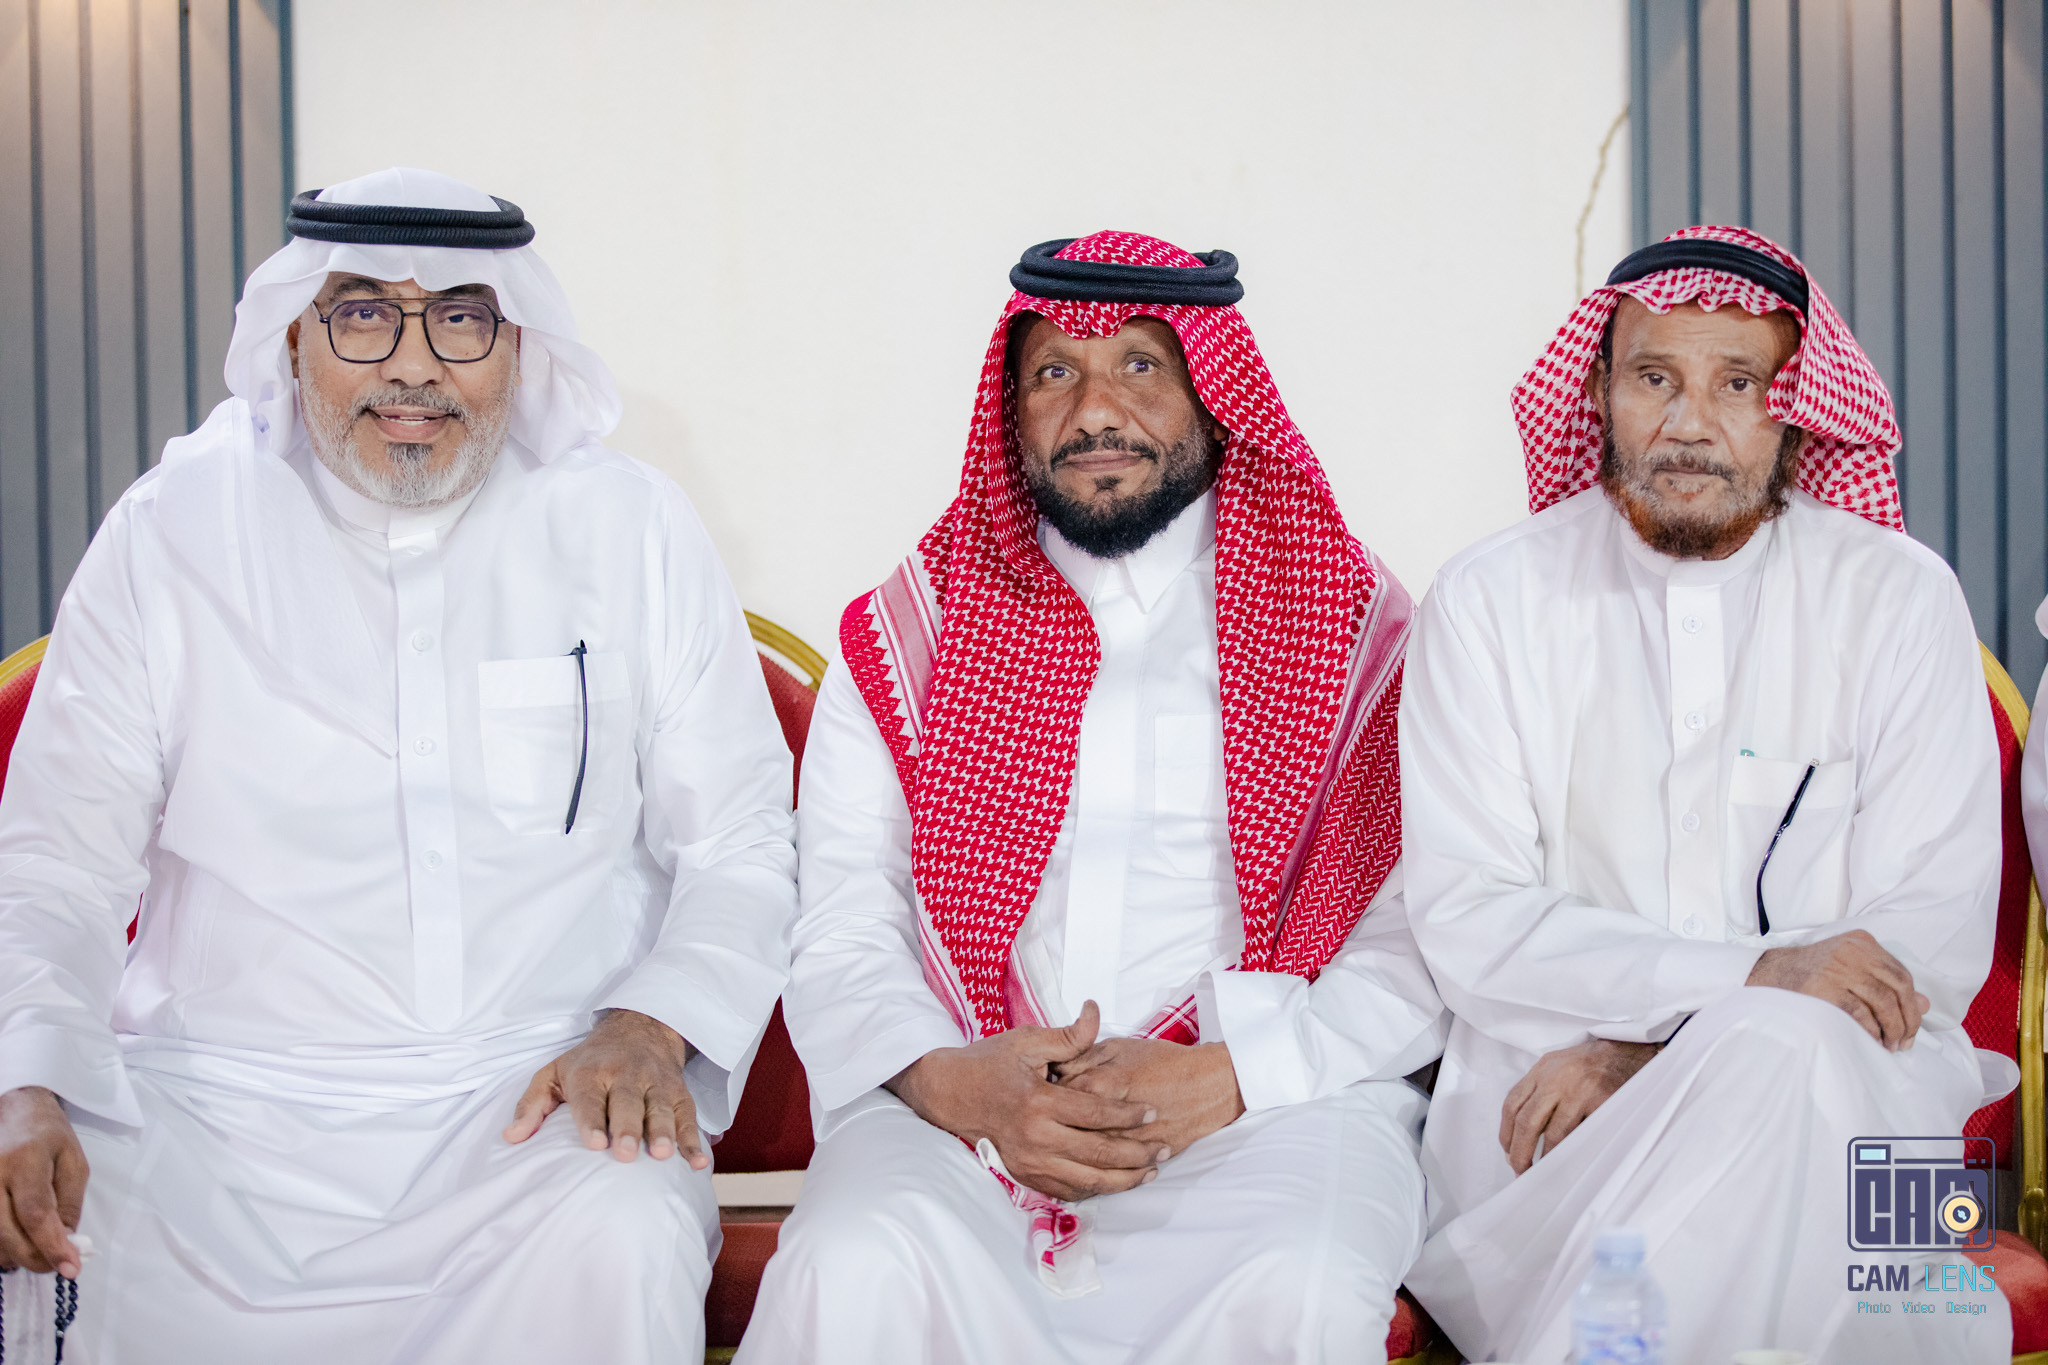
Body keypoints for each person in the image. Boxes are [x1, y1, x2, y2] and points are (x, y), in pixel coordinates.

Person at [0, 168, 796, 1363]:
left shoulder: (628, 529)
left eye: (460, 319)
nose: (413, 367)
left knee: (624, 1232)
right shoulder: (170, 534)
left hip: (536, 1108)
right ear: (295, 337)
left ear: (516, 344)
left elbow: (741, 841)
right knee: (74, 1229)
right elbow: (58, 863)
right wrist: (26, 1082)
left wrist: (649, 1026)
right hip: (213, 1121)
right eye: (364, 315)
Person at [737, 233, 1447, 1365]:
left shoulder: (1349, 626)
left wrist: (1236, 1077)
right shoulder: (913, 634)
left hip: (1268, 1106)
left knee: (1299, 1281)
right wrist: (958, 1085)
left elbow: (1418, 926)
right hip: (964, 1102)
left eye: (1140, 366)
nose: (1095, 410)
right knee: (850, 1264)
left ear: (1213, 395)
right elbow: (843, 918)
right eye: (1055, 373)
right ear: (1011, 410)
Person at [1401, 225, 2011, 1364]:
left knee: (1784, 1063)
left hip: (1855, 1103)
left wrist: (1665, 1050)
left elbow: (1918, 947)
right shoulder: (1487, 602)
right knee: (1778, 1082)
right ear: (1599, 393)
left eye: (1738, 383)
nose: (1688, 424)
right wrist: (1751, 986)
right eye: (1653, 379)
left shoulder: (1898, 599)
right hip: (1555, 1120)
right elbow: (1469, 918)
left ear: (1797, 409)